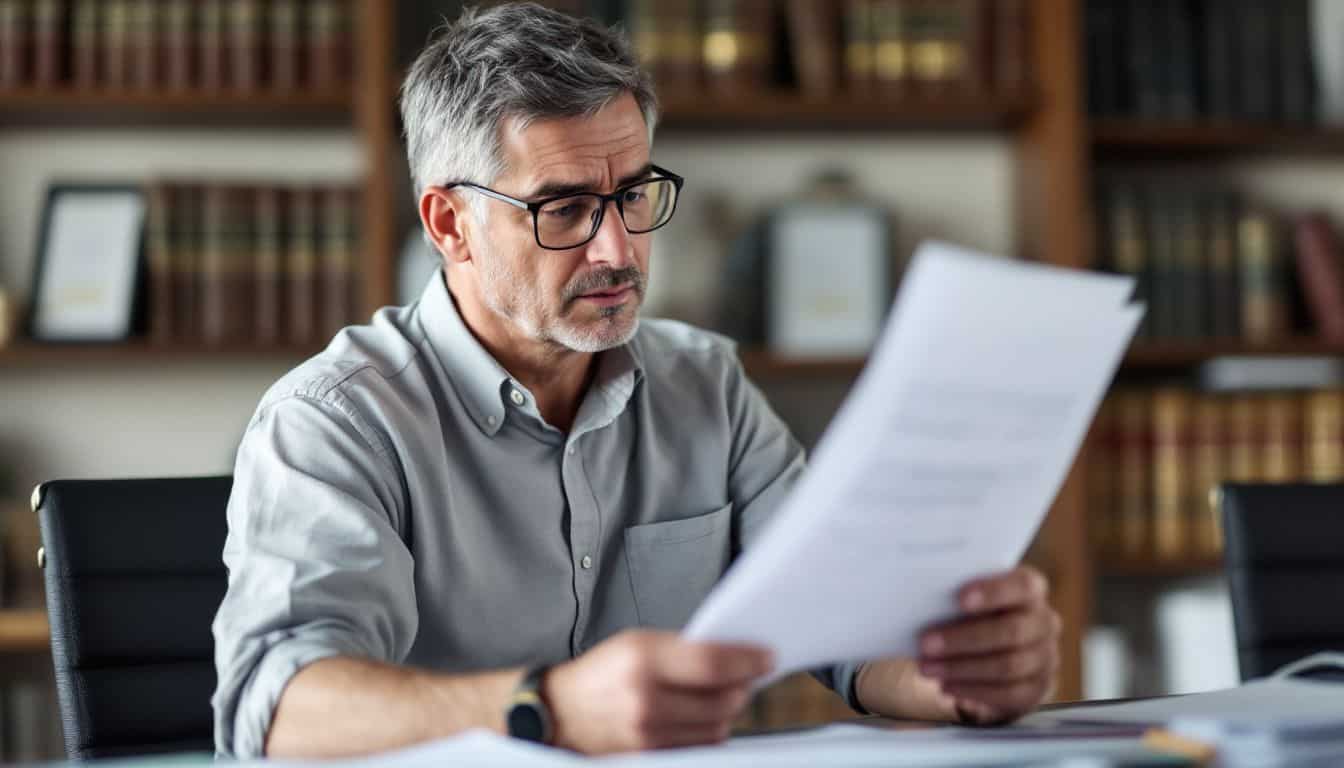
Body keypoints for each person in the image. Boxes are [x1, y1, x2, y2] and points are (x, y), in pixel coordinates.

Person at [211, 2, 1060, 759]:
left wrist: (952, 679)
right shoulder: (334, 421)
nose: (618, 251)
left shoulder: (706, 384)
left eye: (634, 195)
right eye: (566, 208)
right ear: (450, 223)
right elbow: (280, 711)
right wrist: (548, 710)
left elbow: (840, 626)